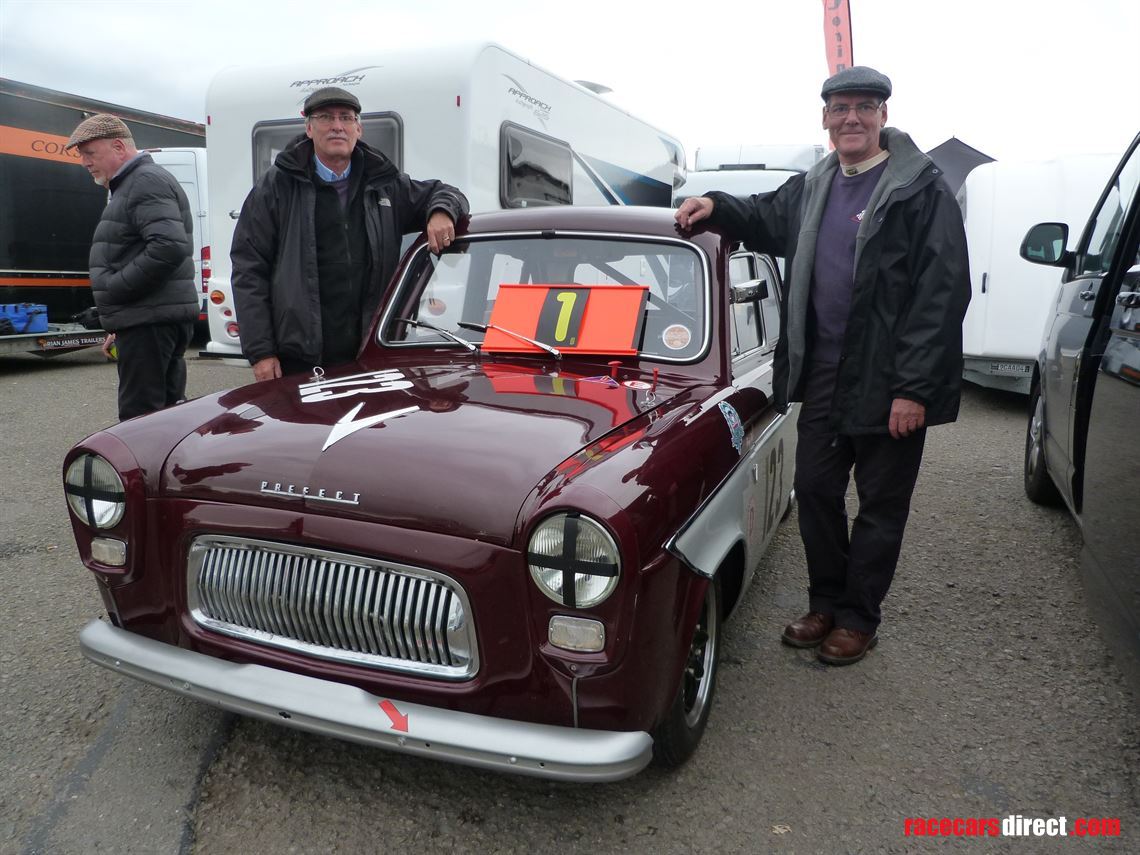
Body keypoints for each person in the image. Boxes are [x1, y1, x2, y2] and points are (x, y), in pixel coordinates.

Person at [676, 66, 970, 665]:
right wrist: (715, 205)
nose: (852, 118)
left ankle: (860, 617)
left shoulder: (920, 188)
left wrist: (914, 388)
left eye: (864, 107)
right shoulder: (816, 184)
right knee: (813, 491)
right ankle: (825, 602)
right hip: (825, 376)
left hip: (890, 384)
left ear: (884, 115)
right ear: (825, 118)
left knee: (881, 506)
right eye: (840, 108)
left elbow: (942, 294)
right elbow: (762, 215)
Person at [231, 86, 469, 381]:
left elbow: (447, 193)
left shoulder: (385, 183)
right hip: (299, 360)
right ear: (308, 128)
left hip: (368, 357)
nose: (337, 126)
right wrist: (261, 352)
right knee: (302, 429)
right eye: (325, 118)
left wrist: (441, 211)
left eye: (346, 117)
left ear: (359, 128)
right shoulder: (276, 187)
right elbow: (248, 269)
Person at [65, 114, 198, 422]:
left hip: (150, 323)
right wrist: (121, 323)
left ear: (118, 147)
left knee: (141, 420)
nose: (84, 162)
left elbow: (168, 246)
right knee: (164, 415)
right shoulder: (132, 184)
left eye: (90, 154)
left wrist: (115, 290)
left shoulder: (144, 181)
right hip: (148, 320)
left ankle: (142, 473)